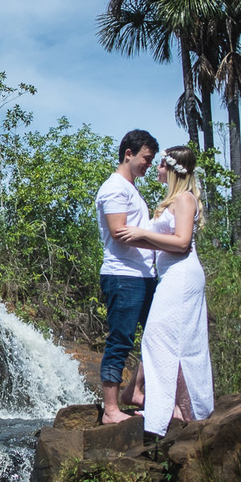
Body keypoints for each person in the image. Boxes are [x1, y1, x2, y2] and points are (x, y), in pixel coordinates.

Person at [117, 145, 214, 436]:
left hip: (182, 276)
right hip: (171, 274)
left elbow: (182, 243)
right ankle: (177, 408)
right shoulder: (171, 201)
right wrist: (130, 241)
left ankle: (165, 410)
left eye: (161, 165)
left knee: (160, 337)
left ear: (172, 169)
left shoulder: (184, 200)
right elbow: (161, 243)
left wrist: (143, 234)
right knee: (169, 339)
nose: (156, 169)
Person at [94, 129, 158, 425]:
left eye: (152, 159)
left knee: (158, 336)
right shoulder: (114, 188)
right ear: (128, 153)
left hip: (143, 275)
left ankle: (135, 391)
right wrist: (163, 242)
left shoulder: (131, 188)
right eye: (146, 158)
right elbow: (119, 232)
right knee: (121, 340)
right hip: (123, 275)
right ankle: (110, 411)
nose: (149, 164)